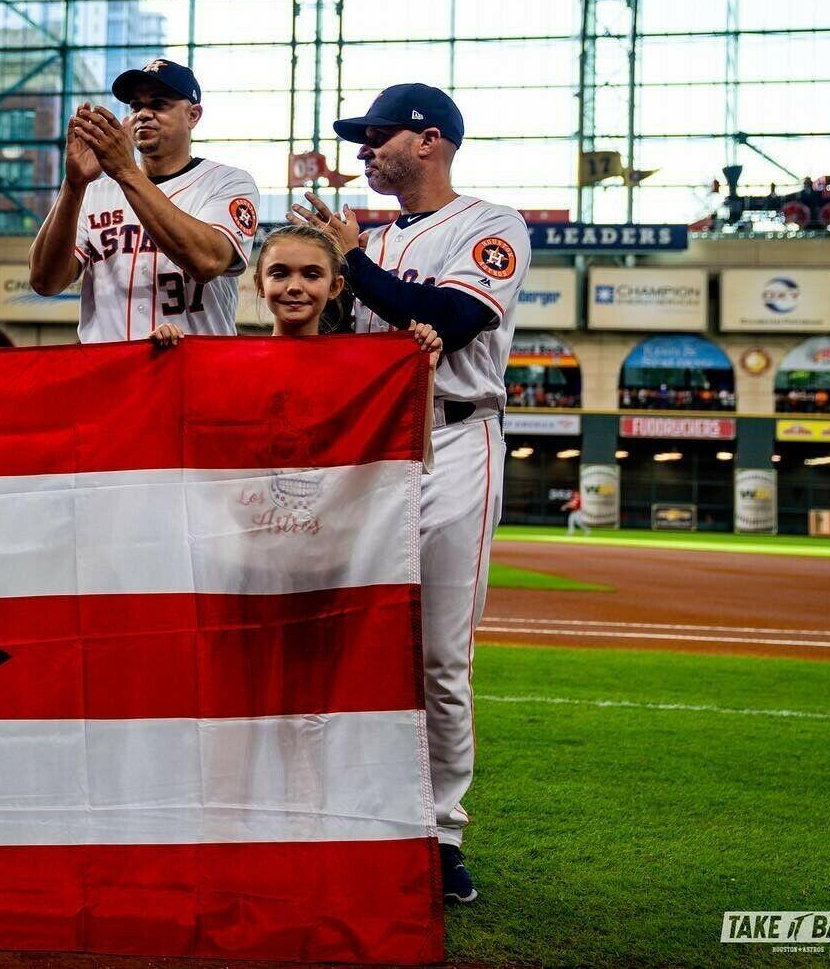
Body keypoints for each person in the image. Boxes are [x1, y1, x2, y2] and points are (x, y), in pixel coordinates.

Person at [290, 83, 530, 906]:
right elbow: (343, 335)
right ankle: (348, 811)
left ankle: (441, 834)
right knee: (347, 638)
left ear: (428, 140)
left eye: (377, 136)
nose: (363, 151)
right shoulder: (373, 242)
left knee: (437, 653)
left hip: (458, 436)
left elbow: (451, 318)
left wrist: (352, 261)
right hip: (373, 448)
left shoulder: (491, 223)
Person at [27, 58, 259, 342]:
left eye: (159, 104)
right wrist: (74, 184)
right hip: (113, 374)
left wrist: (125, 171)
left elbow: (207, 261)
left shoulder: (227, 182)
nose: (144, 114)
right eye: (136, 106)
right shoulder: (96, 193)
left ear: (193, 115)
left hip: (193, 373)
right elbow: (44, 281)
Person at [150, 223, 443, 359]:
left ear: (335, 286)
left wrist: (422, 370)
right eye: (279, 273)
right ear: (260, 285)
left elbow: (402, 449)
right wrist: (171, 358)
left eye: (311, 274)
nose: (294, 287)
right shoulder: (234, 361)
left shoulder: (357, 367)